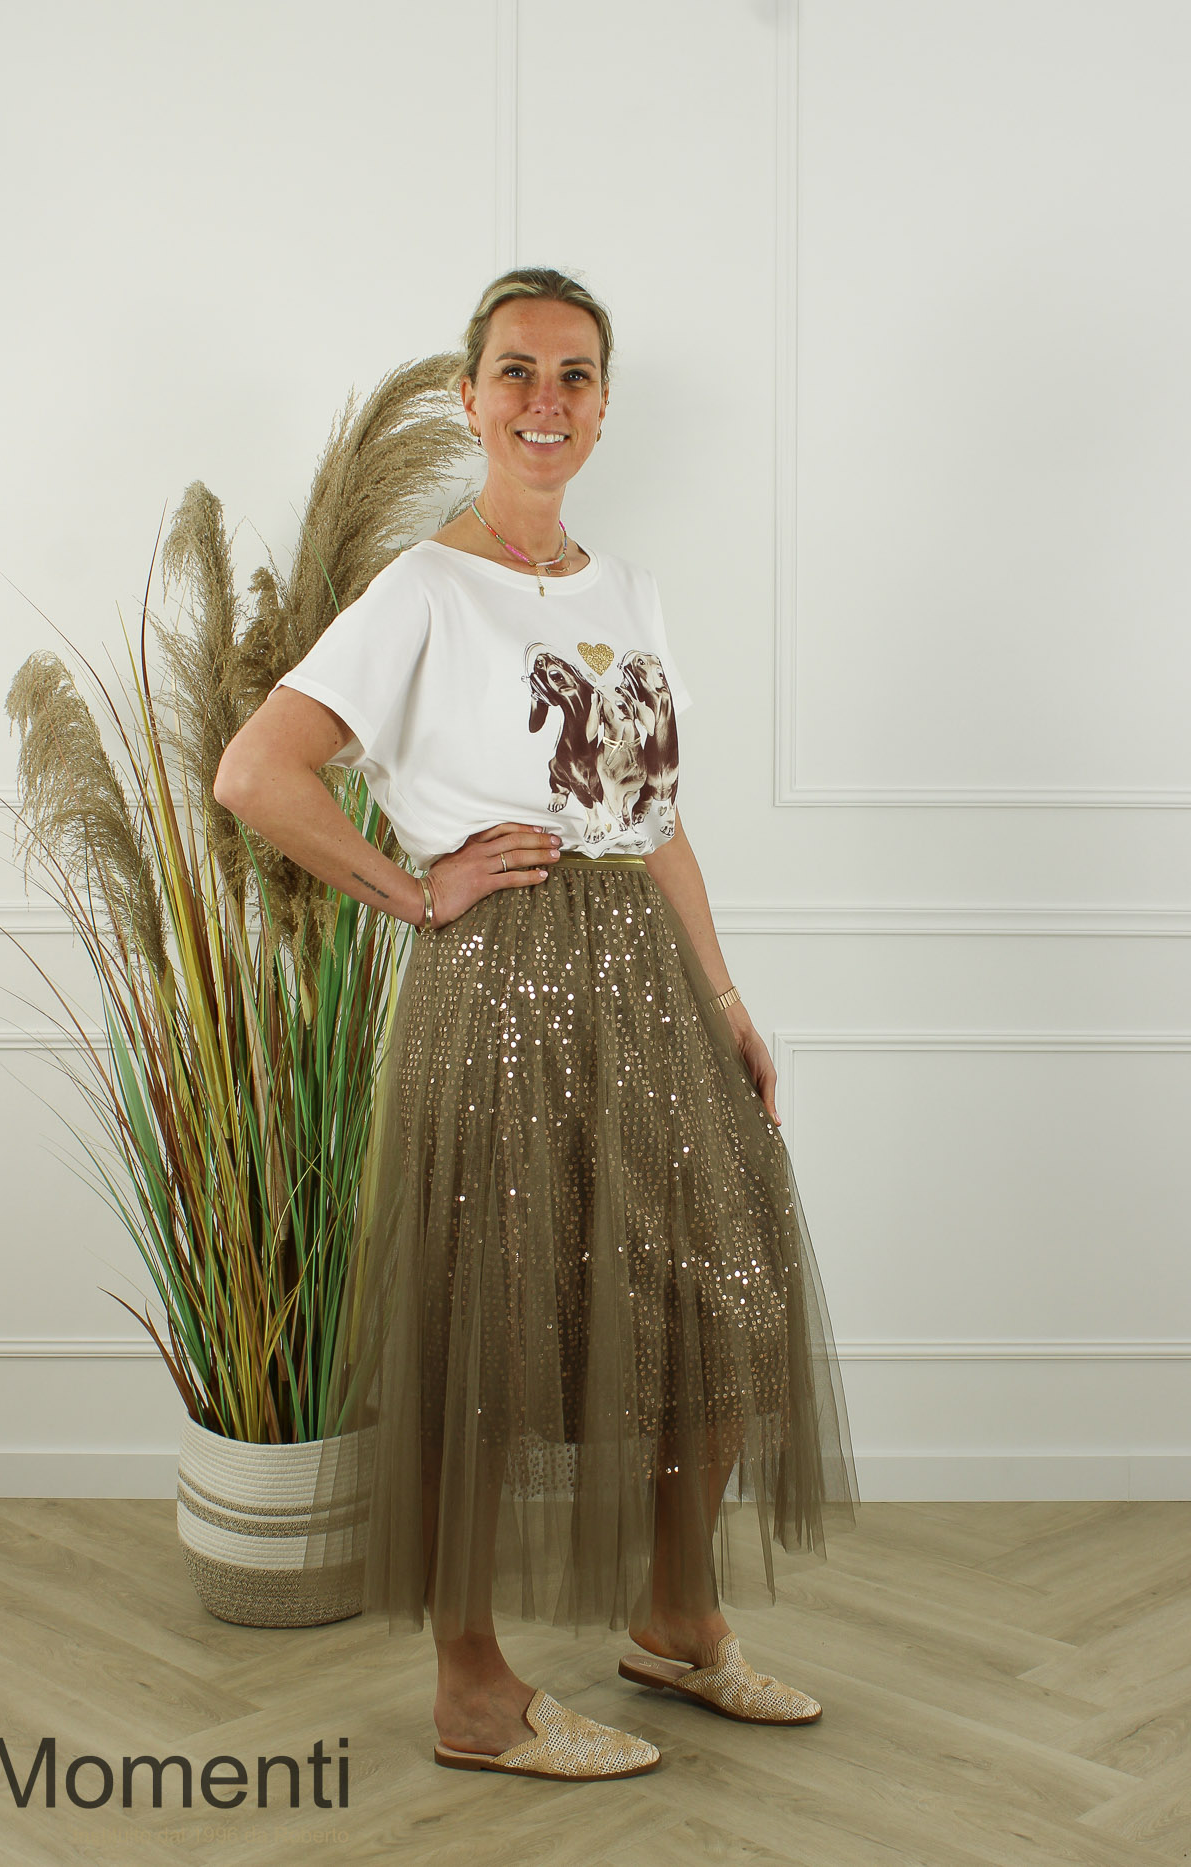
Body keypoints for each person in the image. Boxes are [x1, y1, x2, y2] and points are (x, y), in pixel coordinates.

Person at [214, 266, 858, 1782]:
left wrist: (726, 998)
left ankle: (675, 1621)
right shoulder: (424, 590)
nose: (545, 401)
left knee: (720, 1291)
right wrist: (413, 890)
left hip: (647, 979)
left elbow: (655, 816)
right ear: (470, 397)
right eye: (517, 372)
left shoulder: (628, 589)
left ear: (605, 405)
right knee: (486, 1329)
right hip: (502, 986)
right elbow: (258, 772)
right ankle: (473, 1693)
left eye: (573, 376)